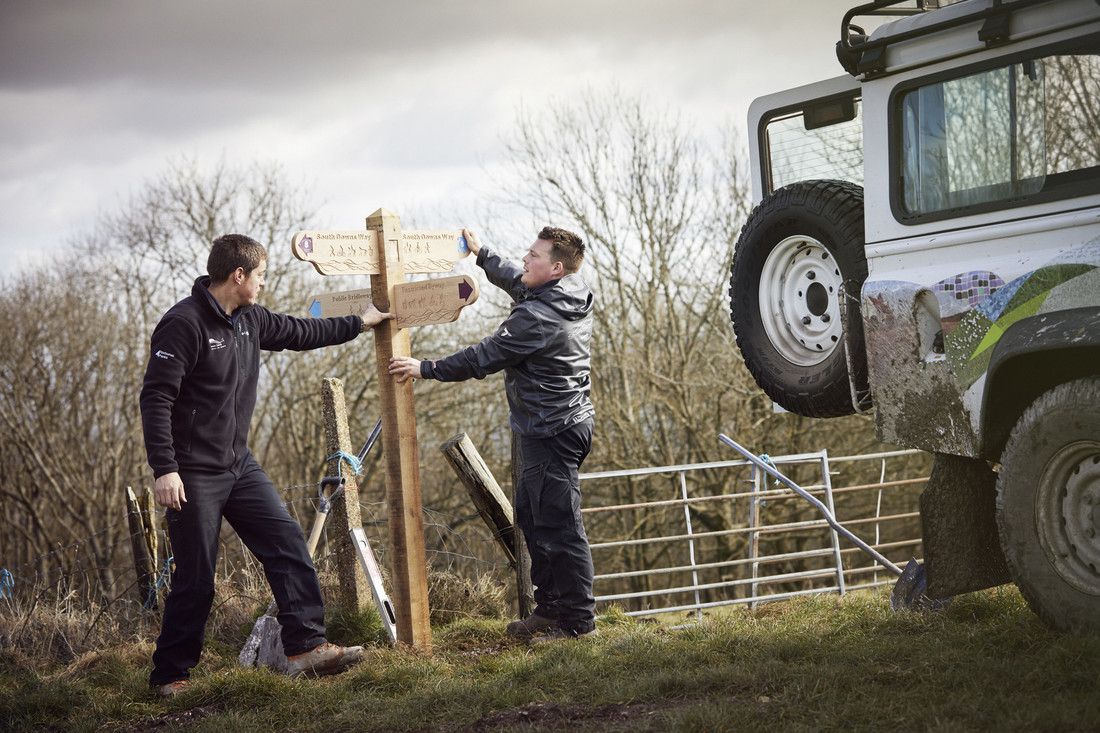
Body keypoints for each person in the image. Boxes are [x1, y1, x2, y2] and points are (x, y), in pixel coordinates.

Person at [140, 233, 394, 697]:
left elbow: (302, 332)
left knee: (287, 543)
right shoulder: (184, 323)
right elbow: (156, 398)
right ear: (239, 276)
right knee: (196, 578)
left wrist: (361, 322)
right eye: (260, 275)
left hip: (239, 465)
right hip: (192, 472)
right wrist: (165, 468)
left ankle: (304, 649)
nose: (263, 282)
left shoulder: (250, 319)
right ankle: (170, 676)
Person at [389, 226, 597, 642]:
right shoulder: (562, 291)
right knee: (534, 519)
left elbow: (483, 356)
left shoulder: (537, 316)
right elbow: (516, 280)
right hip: (554, 425)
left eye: (533, 255)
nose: (525, 258)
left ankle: (577, 624)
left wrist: (426, 368)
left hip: (553, 430)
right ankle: (551, 608)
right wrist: (483, 255)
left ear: (555, 268)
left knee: (559, 526)